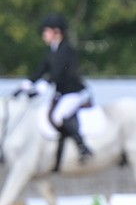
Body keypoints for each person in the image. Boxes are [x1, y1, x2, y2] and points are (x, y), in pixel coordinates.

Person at [18, 13, 92, 171]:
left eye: (46, 31)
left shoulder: (67, 50)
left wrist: (45, 85)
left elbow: (59, 73)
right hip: (61, 93)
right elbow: (41, 70)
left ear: (56, 32)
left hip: (74, 92)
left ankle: (83, 147)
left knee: (59, 115)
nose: (43, 35)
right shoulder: (51, 50)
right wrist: (27, 84)